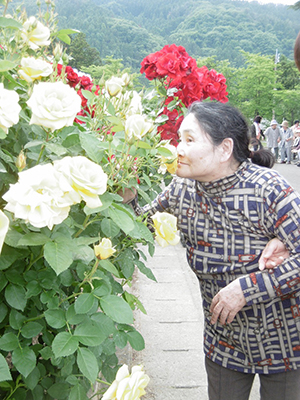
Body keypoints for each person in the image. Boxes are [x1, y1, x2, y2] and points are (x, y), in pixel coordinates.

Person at [125, 101, 300, 400]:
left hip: (284, 341)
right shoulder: (181, 190)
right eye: (179, 139)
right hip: (224, 342)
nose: (178, 148)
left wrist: (248, 288)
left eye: (190, 140)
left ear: (224, 149)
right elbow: (140, 226)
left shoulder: (268, 189)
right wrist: (127, 199)